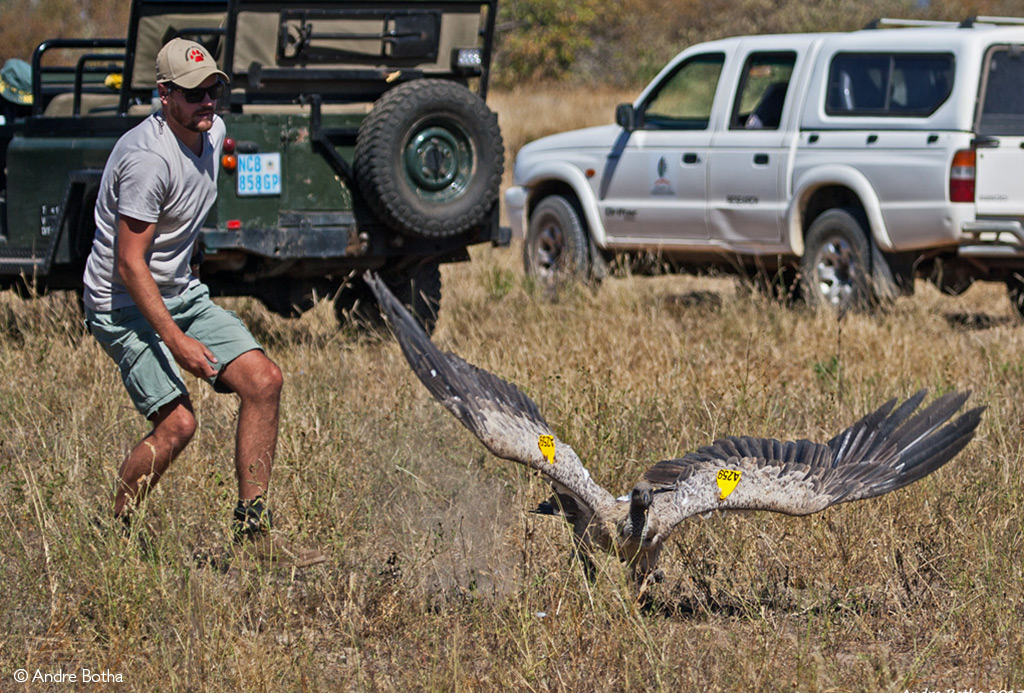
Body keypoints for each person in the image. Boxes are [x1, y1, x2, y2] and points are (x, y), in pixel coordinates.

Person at [82, 38, 323, 568]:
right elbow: (129, 263)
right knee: (179, 425)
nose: (206, 101)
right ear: (164, 94)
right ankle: (112, 536)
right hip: (120, 302)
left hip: (177, 290)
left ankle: (252, 536)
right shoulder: (147, 160)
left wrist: (191, 279)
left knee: (265, 381)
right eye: (192, 93)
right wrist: (177, 340)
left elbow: (187, 216)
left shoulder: (210, 133)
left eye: (212, 89)